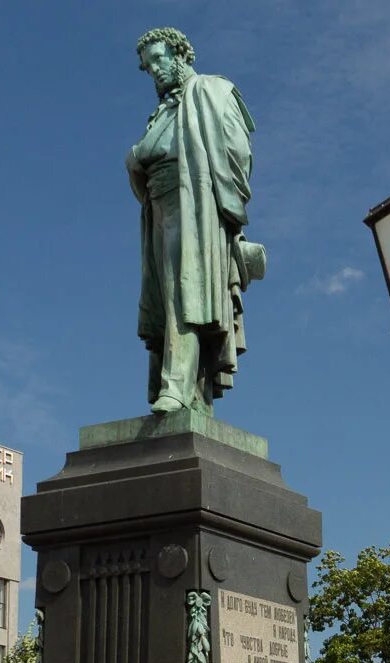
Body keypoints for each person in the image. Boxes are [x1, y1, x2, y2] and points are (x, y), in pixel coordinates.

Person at [126, 26, 263, 416]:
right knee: (161, 299)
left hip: (194, 205)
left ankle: (176, 386)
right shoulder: (163, 110)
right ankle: (190, 395)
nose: (153, 70)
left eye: (158, 59)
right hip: (159, 204)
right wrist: (136, 159)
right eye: (147, 66)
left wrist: (225, 209)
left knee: (183, 294)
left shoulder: (211, 91)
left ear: (180, 54)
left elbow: (239, 153)